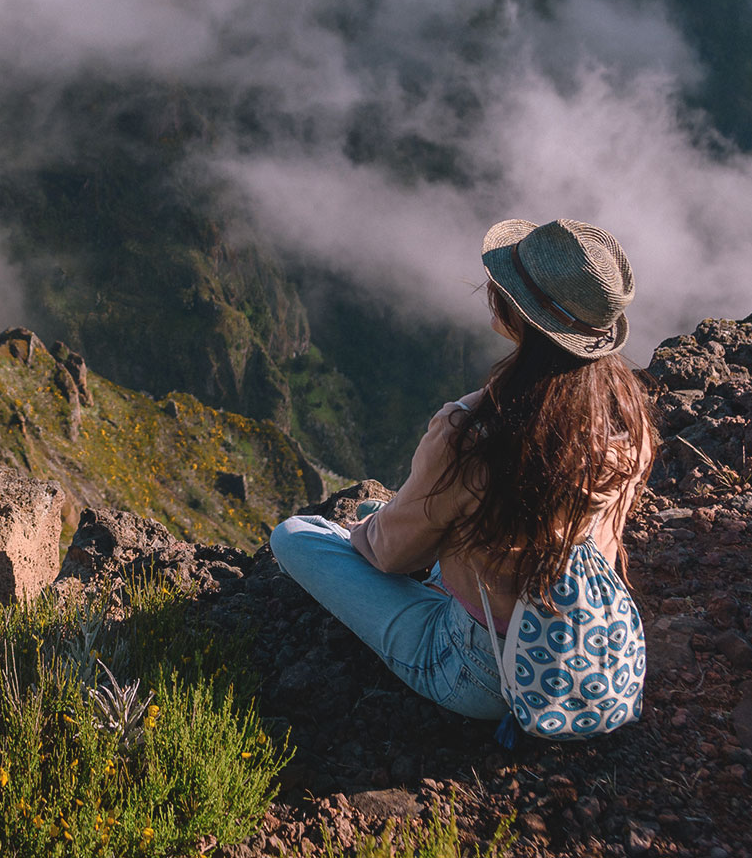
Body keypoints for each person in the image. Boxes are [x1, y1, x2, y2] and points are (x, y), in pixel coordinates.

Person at [269, 218, 658, 719]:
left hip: (480, 670)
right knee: (393, 512)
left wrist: (366, 532)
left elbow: (390, 557)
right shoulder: (631, 418)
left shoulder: (473, 433)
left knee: (297, 535)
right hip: (585, 650)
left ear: (515, 309)